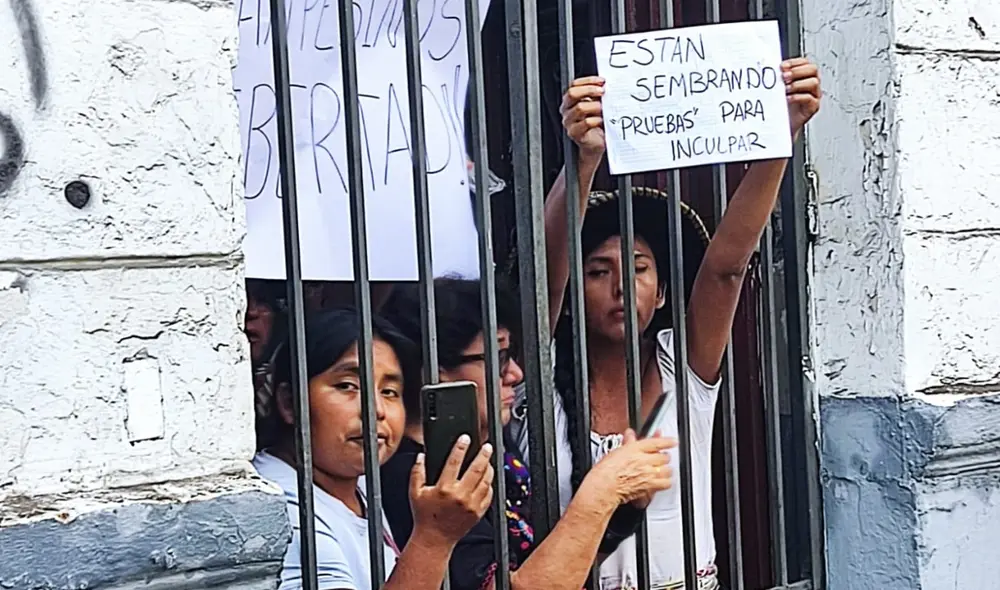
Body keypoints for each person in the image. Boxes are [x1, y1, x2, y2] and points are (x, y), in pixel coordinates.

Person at [539, 59, 823, 589]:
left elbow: (725, 269)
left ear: (663, 290)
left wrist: (779, 134)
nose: (623, 287)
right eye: (599, 272)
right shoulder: (535, 375)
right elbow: (546, 277)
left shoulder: (680, 366)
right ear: (573, 297)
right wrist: (584, 159)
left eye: (640, 269)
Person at [380, 277, 676, 590]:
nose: (515, 374)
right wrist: (602, 490)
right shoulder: (414, 476)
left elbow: (549, 568)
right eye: (499, 358)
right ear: (437, 371)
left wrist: (622, 513)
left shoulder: (494, 448)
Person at [254, 308, 496, 590]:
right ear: (289, 402)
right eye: (347, 386)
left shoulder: (362, 486)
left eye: (390, 392)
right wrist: (434, 536)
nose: (377, 410)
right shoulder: (280, 506)